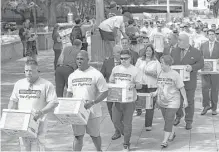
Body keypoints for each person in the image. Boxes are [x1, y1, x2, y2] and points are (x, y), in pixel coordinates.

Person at [8, 60, 58, 151]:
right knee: (24, 147)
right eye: (26, 71)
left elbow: (53, 102)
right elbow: (13, 101)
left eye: (31, 71)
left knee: (37, 147)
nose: (28, 73)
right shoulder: (19, 84)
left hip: (38, 123)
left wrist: (42, 112)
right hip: (22, 123)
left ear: (37, 70)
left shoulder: (46, 85)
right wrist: (10, 116)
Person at [67, 50, 108, 151]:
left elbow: (105, 92)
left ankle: (99, 150)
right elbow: (70, 92)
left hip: (93, 111)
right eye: (77, 59)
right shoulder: (72, 75)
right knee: (78, 136)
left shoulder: (96, 74)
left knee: (95, 135)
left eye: (82, 59)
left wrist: (93, 102)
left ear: (87, 60)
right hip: (77, 112)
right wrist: (67, 105)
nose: (79, 61)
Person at [109, 49, 142, 151]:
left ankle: (126, 143)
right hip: (117, 99)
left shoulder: (135, 70)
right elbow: (111, 81)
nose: (123, 60)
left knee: (127, 123)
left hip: (129, 101)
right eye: (121, 58)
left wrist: (134, 85)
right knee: (115, 121)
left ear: (130, 58)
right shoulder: (116, 69)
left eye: (125, 58)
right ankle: (126, 133)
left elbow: (140, 85)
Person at [153, 55, 188, 148]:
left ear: (168, 64)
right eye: (160, 63)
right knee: (167, 120)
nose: (161, 65)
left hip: (173, 101)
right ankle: (172, 133)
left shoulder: (175, 74)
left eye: (162, 63)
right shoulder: (160, 73)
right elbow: (159, 86)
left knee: (168, 119)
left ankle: (164, 141)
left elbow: (182, 88)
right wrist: (155, 93)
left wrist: (185, 100)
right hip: (162, 101)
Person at [171, 34, 204, 130]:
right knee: (177, 101)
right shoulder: (174, 50)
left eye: (180, 40)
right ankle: (178, 116)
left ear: (186, 42)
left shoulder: (196, 52)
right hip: (176, 82)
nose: (178, 42)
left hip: (189, 82)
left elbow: (201, 64)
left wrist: (192, 67)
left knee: (189, 102)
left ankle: (189, 121)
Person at [135, 44, 161, 131]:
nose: (148, 52)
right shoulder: (139, 60)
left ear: (152, 52)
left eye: (150, 51)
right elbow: (135, 72)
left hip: (151, 86)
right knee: (139, 103)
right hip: (141, 85)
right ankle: (138, 112)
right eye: (146, 51)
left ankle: (148, 125)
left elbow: (159, 75)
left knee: (150, 106)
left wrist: (150, 73)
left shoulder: (156, 62)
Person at [100, 45, 122, 140]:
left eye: (121, 52)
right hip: (110, 91)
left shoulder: (125, 62)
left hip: (122, 91)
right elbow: (101, 76)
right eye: (118, 52)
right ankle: (117, 130)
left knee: (122, 111)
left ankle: (122, 126)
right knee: (111, 110)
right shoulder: (107, 62)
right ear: (113, 53)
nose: (120, 54)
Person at [200, 29, 219, 115]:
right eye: (210, 34)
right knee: (204, 88)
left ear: (215, 35)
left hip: (215, 70)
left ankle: (214, 108)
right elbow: (200, 56)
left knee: (214, 89)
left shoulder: (218, 44)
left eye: (213, 34)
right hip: (206, 69)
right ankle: (206, 106)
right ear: (207, 35)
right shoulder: (203, 45)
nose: (211, 36)